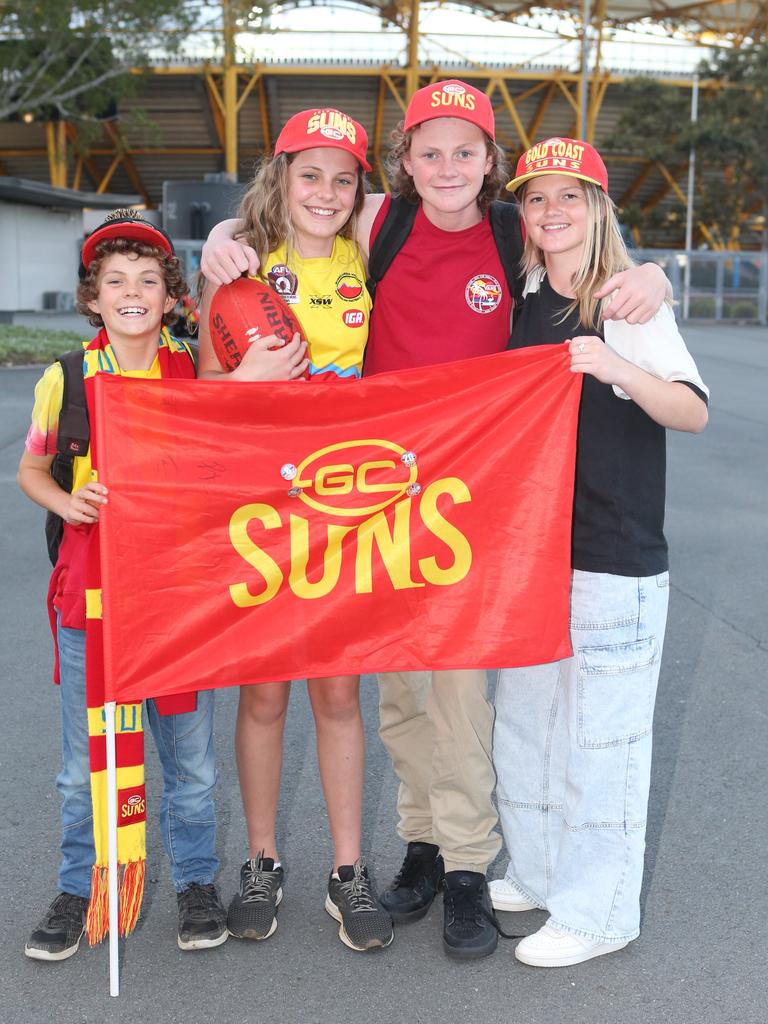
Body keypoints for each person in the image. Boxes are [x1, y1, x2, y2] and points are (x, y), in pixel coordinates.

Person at [200, 82, 671, 959]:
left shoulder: (508, 230)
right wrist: (225, 238)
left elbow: (590, 241)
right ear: (405, 165)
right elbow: (286, 208)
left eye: (466, 151)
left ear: (491, 164)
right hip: (374, 490)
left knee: (458, 684)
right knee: (399, 684)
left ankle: (466, 860)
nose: (448, 166)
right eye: (430, 151)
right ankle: (419, 839)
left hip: (469, 490)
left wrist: (652, 270)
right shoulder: (380, 225)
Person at [491, 138, 708, 967]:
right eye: (538, 199)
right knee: (529, 728)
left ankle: (601, 911)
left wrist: (616, 365)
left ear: (597, 207)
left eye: (569, 197)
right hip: (534, 556)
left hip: (614, 553)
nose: (553, 213)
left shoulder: (628, 302)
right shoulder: (523, 299)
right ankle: (543, 873)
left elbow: (689, 412)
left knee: (602, 742)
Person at [198, 108, 393, 953]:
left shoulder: (369, 252)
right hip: (264, 513)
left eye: (342, 176)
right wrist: (245, 376)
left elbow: (455, 194)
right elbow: (203, 393)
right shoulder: (241, 268)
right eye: (307, 174)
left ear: (360, 188)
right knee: (266, 692)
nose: (325, 191)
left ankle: (348, 872)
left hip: (350, 506)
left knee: (341, 693)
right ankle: (262, 860)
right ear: (280, 177)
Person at [18, 211, 227, 959]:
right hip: (94, 602)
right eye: (115, 281)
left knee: (191, 765)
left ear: (171, 296)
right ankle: (80, 887)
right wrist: (67, 500)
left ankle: (197, 885)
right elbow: (32, 470)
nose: (132, 292)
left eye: (148, 280)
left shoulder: (190, 371)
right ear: (92, 297)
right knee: (85, 768)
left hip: (177, 605)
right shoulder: (67, 377)